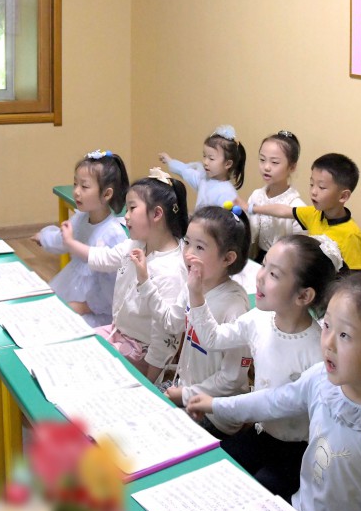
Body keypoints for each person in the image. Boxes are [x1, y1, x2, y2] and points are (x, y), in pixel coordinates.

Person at [188, 273, 361, 511]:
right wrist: (215, 404)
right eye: (328, 326)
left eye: (345, 336)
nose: (328, 343)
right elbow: (273, 401)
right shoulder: (322, 380)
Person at [181, 234, 340, 500]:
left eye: (274, 274)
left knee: (255, 494)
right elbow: (213, 338)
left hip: (298, 452)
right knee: (215, 472)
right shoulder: (258, 319)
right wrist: (196, 293)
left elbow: (282, 407)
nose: (260, 276)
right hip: (260, 433)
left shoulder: (316, 351)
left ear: (303, 295)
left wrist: (213, 404)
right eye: (263, 265)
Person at [61, 168, 189, 382]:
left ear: (157, 214)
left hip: (141, 353)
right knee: (72, 349)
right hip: (117, 334)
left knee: (85, 372)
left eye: (132, 208)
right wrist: (72, 244)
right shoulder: (136, 243)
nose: (126, 216)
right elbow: (105, 258)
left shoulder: (171, 271)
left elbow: (165, 337)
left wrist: (150, 381)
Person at [146, 204, 253, 437]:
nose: (188, 253)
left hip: (216, 413)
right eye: (187, 242)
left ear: (228, 258)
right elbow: (172, 324)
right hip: (187, 388)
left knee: (159, 434)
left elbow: (233, 378)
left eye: (200, 247)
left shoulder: (234, 306)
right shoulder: (193, 283)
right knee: (141, 409)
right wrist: (145, 283)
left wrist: (186, 394)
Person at [33, 149, 129, 327]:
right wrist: (44, 237)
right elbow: (64, 239)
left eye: (84, 187)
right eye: (75, 184)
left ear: (107, 194)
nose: (76, 192)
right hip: (73, 289)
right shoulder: (81, 217)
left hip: (96, 309)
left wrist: (87, 306)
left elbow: (114, 288)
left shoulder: (113, 234)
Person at [249, 153, 361, 272]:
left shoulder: (352, 235)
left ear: (343, 196)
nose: (313, 191)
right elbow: (283, 210)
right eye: (311, 184)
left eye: (321, 187)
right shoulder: (314, 213)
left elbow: (356, 280)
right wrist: (252, 208)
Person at [244, 130, 306, 263]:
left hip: (284, 264)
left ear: (292, 167)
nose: (266, 167)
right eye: (262, 160)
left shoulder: (296, 206)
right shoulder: (257, 196)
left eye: (275, 162)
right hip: (257, 258)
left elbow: (300, 252)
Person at [159, 124, 245, 209]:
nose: (205, 162)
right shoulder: (203, 178)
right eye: (204, 156)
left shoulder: (227, 193)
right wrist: (169, 161)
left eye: (211, 158)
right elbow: (185, 171)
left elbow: (227, 220)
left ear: (227, 164)